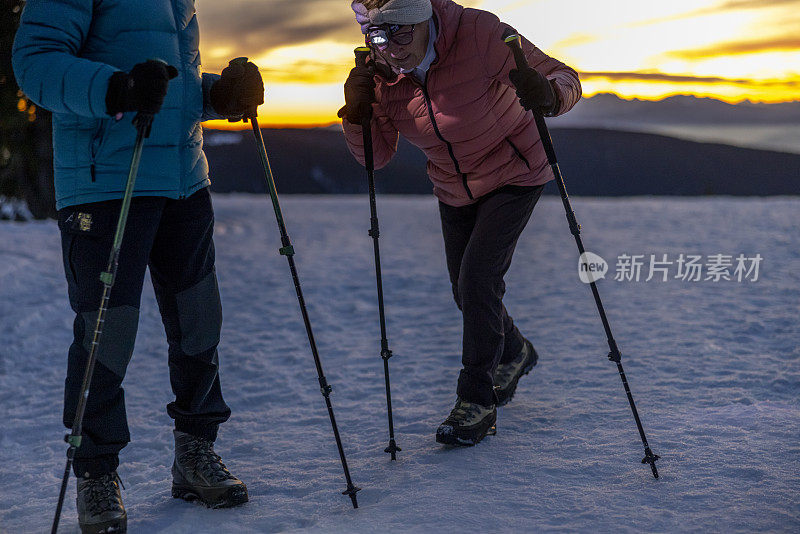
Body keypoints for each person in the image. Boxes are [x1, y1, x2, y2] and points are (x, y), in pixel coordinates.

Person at [12, 1, 263, 532]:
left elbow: (167, 84)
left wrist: (217, 93)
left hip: (183, 178)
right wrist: (116, 89)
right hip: (104, 183)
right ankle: (96, 474)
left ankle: (195, 453)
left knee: (199, 320)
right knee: (109, 331)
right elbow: (35, 64)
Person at [340, 0, 581, 447]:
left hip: (515, 171)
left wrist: (548, 95)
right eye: (377, 36)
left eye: (400, 34)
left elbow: (565, 77)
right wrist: (357, 114)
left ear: (421, 19)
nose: (390, 49)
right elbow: (376, 156)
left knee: (477, 280)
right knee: (464, 291)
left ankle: (477, 400)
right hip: (454, 187)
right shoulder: (379, 74)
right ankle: (515, 351)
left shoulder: (479, 34)